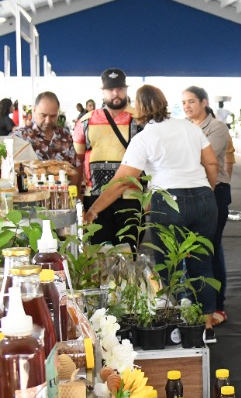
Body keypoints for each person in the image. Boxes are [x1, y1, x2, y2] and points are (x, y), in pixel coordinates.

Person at [85, 85, 220, 318]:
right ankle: (206, 324)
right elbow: (211, 163)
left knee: (169, 268)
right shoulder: (189, 127)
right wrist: (208, 190)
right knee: (202, 264)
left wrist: (93, 210)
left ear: (139, 108)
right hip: (204, 199)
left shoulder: (144, 138)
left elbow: (122, 182)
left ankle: (175, 324)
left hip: (169, 202)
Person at [184, 85, 235, 324]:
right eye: (184, 102)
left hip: (215, 192)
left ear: (204, 102)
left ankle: (217, 307)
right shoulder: (184, 127)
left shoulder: (217, 127)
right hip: (190, 192)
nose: (187, 106)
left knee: (211, 248)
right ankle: (197, 304)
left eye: (191, 101)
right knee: (191, 250)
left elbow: (206, 158)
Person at [88, 69, 139, 243]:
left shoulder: (141, 119)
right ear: (103, 92)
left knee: (129, 251)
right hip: (96, 197)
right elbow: (79, 161)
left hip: (132, 198)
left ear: (126, 90)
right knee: (98, 251)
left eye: (120, 88)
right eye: (110, 89)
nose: (115, 93)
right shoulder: (87, 121)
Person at [12, 91, 75, 163]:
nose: (48, 121)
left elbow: (74, 165)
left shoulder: (65, 135)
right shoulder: (20, 136)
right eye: (43, 115)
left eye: (53, 116)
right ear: (34, 111)